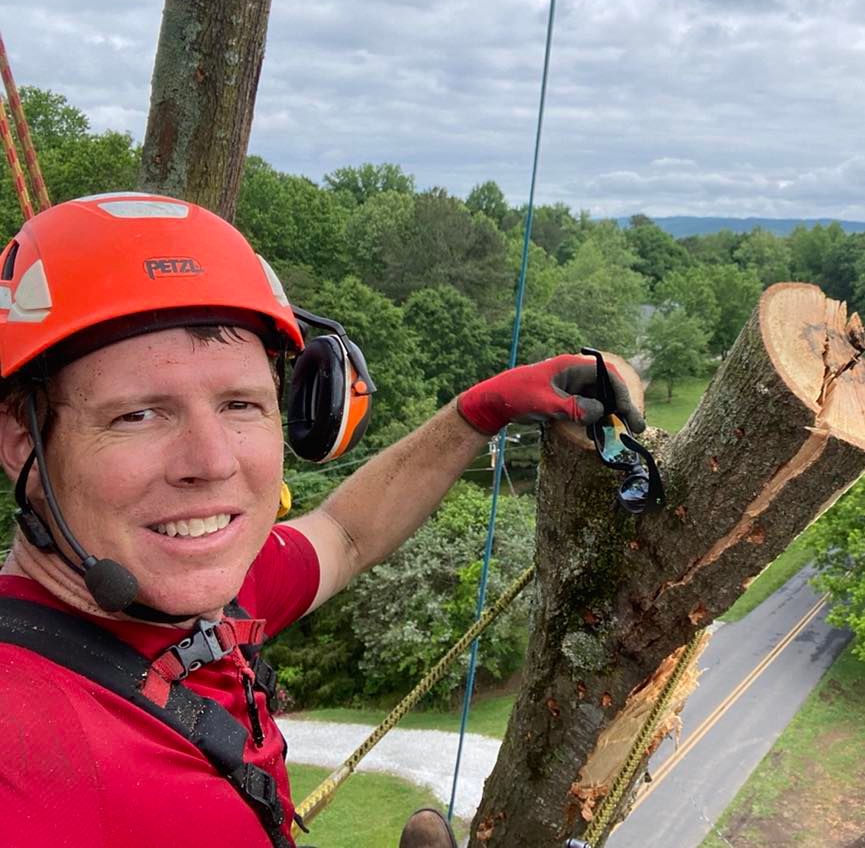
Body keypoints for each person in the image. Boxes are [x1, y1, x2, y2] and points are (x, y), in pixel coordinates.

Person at [0, 192, 644, 848]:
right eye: (138, 414)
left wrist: (478, 412)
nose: (212, 461)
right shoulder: (25, 761)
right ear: (23, 442)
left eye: (240, 404)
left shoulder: (198, 596)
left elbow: (344, 532)